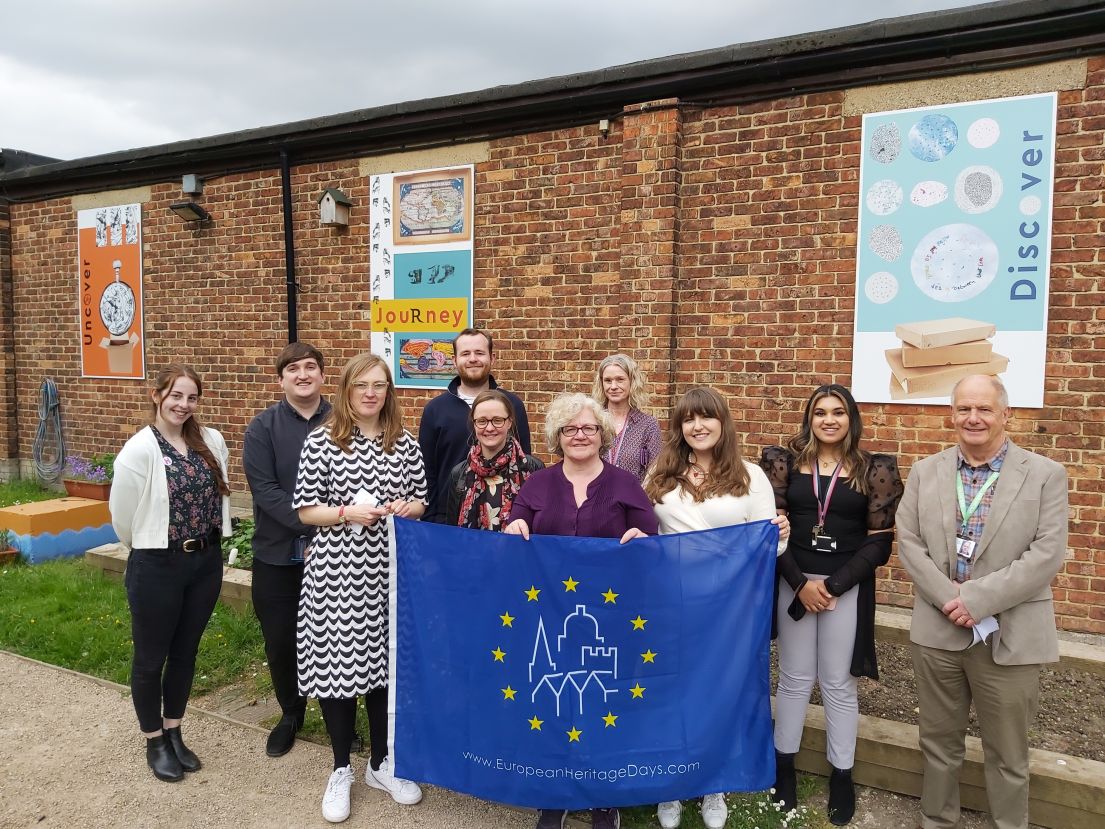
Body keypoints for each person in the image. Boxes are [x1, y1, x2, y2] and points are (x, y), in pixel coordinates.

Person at [896, 375, 1068, 829]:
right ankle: (937, 820)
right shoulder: (924, 472)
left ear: (1006, 414)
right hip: (938, 631)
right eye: (964, 409)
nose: (973, 418)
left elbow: (1046, 554)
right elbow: (909, 543)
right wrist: (949, 600)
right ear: (951, 415)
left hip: (1010, 636)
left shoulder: (1045, 475)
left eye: (985, 409)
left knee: (1009, 753)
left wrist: (976, 599)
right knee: (938, 743)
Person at [505, 392, 658, 829]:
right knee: (556, 707)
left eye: (589, 428)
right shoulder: (536, 485)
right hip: (552, 620)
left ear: (603, 435)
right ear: (557, 436)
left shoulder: (626, 484)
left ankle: (603, 796)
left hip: (609, 620)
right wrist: (515, 526)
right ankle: (555, 792)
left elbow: (652, 538)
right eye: (570, 429)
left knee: (603, 706)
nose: (580, 435)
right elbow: (517, 525)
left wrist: (643, 539)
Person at [645, 387, 790, 829]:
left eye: (707, 417)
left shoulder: (750, 476)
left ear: (723, 423)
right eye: (689, 419)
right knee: (672, 691)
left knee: (719, 691)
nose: (698, 426)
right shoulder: (661, 475)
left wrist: (779, 530)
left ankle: (713, 783)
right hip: (673, 604)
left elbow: (774, 543)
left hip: (729, 611)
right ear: (679, 427)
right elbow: (643, 530)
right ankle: (672, 785)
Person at [759, 383, 902, 825]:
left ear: (850, 418)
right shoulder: (783, 464)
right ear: (810, 418)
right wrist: (801, 584)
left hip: (846, 586)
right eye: (820, 412)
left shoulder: (874, 468)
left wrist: (834, 585)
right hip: (794, 580)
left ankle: (842, 773)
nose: (828, 419)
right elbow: (772, 529)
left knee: (839, 683)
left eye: (838, 412)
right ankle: (784, 770)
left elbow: (880, 543)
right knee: (795, 679)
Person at [294, 353, 428, 824]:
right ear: (347, 391)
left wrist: (405, 508)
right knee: (340, 669)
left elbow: (421, 502)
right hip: (338, 575)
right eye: (362, 385)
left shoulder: (404, 444)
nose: (371, 393)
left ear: (389, 392)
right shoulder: (323, 444)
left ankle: (380, 763)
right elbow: (307, 511)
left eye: (380, 385)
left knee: (384, 670)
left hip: (389, 573)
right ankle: (340, 768)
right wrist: (346, 512)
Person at [109, 364, 232, 782]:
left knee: (185, 653)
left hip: (204, 564)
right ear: (157, 395)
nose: (183, 404)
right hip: (157, 564)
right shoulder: (140, 450)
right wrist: (147, 544)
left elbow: (219, 497)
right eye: (175, 395)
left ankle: (175, 730)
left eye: (191, 397)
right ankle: (154, 740)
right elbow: (122, 518)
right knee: (150, 658)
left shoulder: (210, 441)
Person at [243, 342, 330, 758]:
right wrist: (311, 524)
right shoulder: (262, 428)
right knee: (279, 641)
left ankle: (338, 716)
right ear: (281, 380)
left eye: (310, 367)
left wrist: (324, 535)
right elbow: (266, 493)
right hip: (278, 556)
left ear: (322, 376)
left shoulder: (344, 421)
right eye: (293, 369)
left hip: (337, 555)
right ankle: (291, 713)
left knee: (336, 639)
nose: (302, 374)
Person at [419, 327, 531, 523]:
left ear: (492, 358)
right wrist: (432, 521)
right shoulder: (435, 410)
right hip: (449, 520)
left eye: (479, 353)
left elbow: (525, 463)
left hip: (506, 518)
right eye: (465, 353)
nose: (473, 359)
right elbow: (428, 472)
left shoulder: (512, 405)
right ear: (454, 360)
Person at [444, 388, 544, 529]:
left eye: (497, 420)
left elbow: (541, 525)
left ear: (509, 422)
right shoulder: (459, 474)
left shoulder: (533, 469)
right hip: (472, 550)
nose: (489, 428)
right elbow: (452, 530)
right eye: (482, 421)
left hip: (517, 550)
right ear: (474, 424)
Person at [592, 353, 662, 483]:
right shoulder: (593, 421)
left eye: (620, 379)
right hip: (594, 498)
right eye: (608, 380)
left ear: (632, 381)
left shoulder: (648, 425)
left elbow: (655, 473)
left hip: (632, 500)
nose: (613, 386)